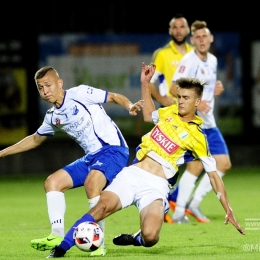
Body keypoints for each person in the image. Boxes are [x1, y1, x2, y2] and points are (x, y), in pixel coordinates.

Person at [46, 62, 245, 258]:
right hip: (133, 175)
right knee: (100, 208)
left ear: (197, 102)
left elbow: (213, 175)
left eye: (186, 98)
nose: (180, 101)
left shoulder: (198, 136)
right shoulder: (169, 112)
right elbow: (149, 115)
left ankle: (136, 238)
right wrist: (145, 83)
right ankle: (61, 248)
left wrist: (227, 208)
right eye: (179, 96)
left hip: (156, 187)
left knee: (151, 236)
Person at [0, 66, 144, 257]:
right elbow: (35, 139)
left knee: (92, 184)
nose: (45, 91)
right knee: (52, 182)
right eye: (41, 88)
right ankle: (57, 235)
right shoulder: (52, 116)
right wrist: (2, 153)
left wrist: (129, 105)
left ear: (60, 83)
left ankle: (99, 242)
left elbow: (114, 96)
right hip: (91, 157)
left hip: (113, 149)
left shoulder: (80, 93)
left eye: (48, 85)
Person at [168, 20, 231, 224]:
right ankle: (178, 213)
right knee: (195, 167)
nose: (202, 40)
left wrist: (215, 89)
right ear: (193, 40)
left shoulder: (212, 60)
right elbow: (172, 89)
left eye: (205, 37)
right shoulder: (189, 60)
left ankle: (193, 204)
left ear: (211, 39)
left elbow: (205, 87)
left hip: (209, 123)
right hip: (194, 124)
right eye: (198, 37)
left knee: (223, 163)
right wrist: (197, 103)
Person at [149, 14, 194, 107]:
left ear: (188, 29)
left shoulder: (195, 53)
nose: (178, 31)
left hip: (192, 110)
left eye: (182, 27)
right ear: (170, 30)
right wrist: (161, 99)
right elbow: (148, 81)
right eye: (175, 27)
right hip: (170, 110)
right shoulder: (162, 54)